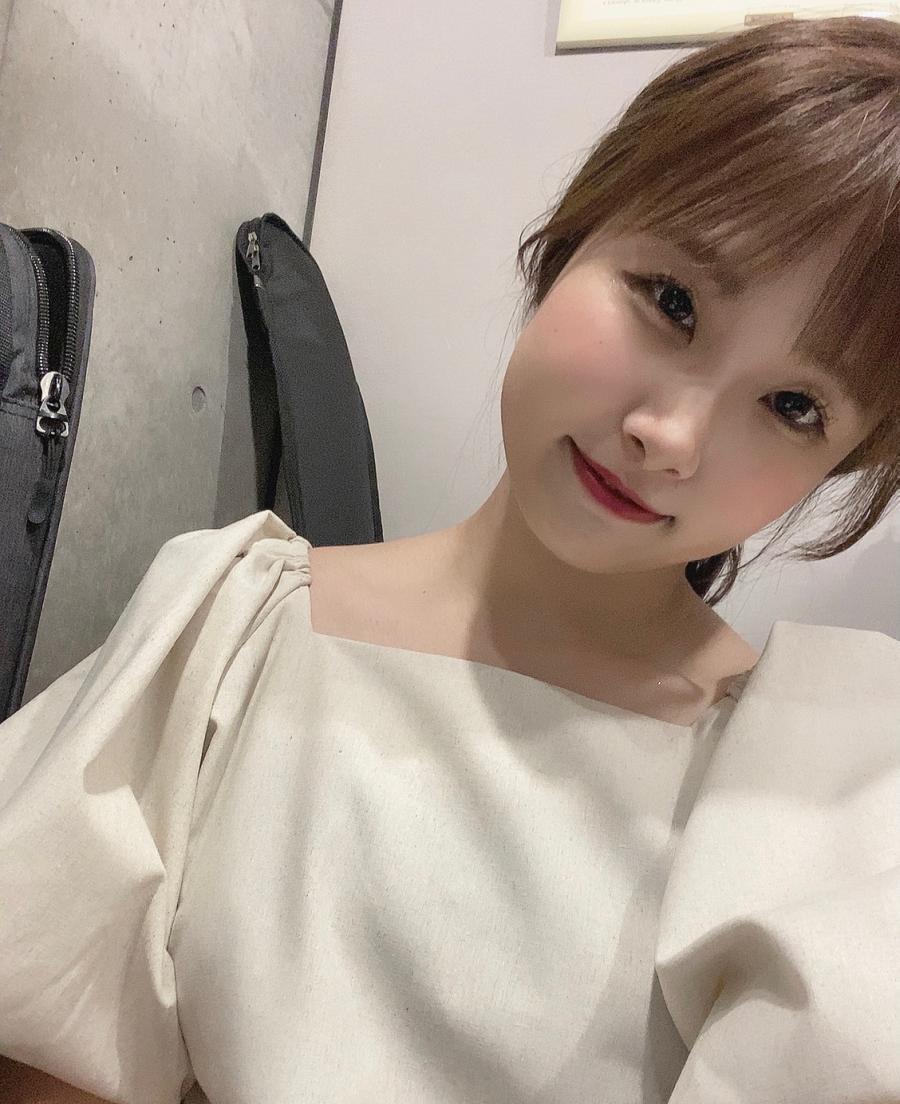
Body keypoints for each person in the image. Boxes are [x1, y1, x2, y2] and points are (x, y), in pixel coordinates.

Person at [1, 14, 899, 1104]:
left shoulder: (823, 809)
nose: (672, 437)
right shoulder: (232, 630)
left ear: (843, 466)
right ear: (570, 239)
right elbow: (52, 1043)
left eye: (795, 406)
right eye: (673, 303)